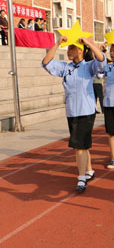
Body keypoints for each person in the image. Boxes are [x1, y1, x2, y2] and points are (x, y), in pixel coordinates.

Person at [41, 35, 106, 192]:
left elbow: (102, 59)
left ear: (79, 50)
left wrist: (89, 43)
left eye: (71, 48)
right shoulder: (65, 68)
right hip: (72, 111)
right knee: (82, 145)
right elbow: (46, 62)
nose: (68, 51)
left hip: (86, 111)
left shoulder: (89, 67)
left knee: (79, 146)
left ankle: (81, 179)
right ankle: (89, 170)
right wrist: (58, 43)